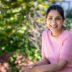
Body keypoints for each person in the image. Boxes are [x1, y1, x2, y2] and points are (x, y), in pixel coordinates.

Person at [21, 4, 72, 72]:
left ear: (63, 20)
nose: (53, 23)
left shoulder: (69, 36)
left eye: (57, 18)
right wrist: (33, 66)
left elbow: (60, 65)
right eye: (50, 18)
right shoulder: (45, 34)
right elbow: (46, 60)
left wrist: (33, 70)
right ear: (46, 19)